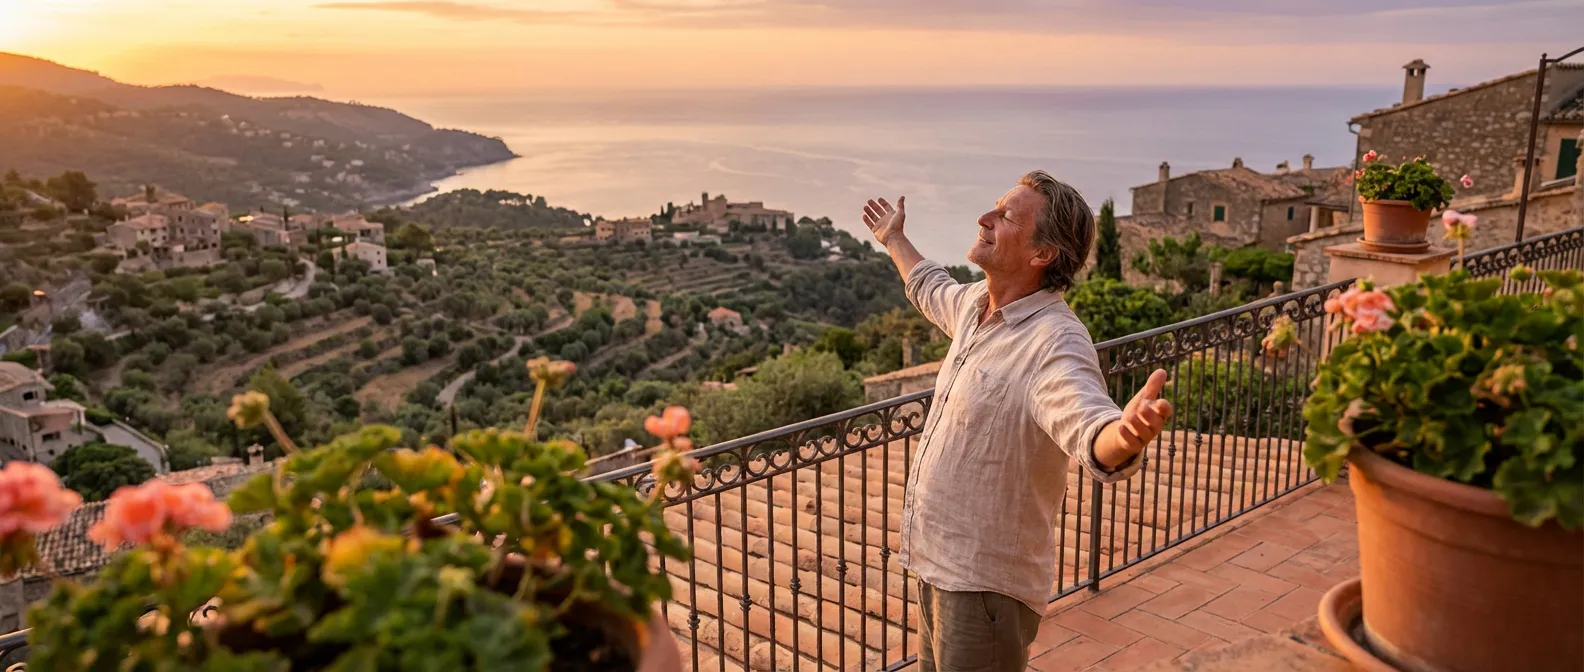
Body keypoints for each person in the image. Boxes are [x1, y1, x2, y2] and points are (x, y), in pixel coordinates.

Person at [861, 171, 1173, 672]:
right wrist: (894, 238)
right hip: (935, 563)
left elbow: (1086, 420)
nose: (984, 219)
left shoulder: (1055, 341)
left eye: (1005, 216)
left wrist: (1125, 435)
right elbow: (927, 284)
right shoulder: (973, 307)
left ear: (1042, 254)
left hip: (984, 587)